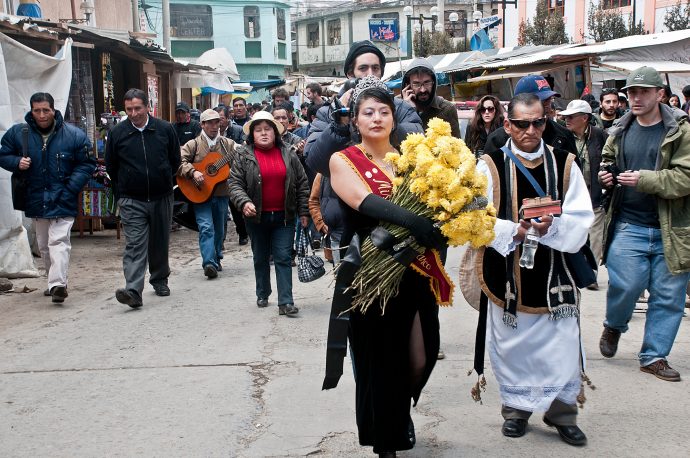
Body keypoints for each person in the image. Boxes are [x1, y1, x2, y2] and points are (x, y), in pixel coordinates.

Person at [323, 76, 444, 457]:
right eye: (367, 112)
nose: (376, 118)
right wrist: (414, 220)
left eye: (384, 112)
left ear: (394, 118)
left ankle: (396, 413)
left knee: (422, 355)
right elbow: (364, 202)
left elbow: (435, 203)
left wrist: (441, 225)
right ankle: (385, 439)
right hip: (372, 269)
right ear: (355, 120)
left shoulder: (412, 158)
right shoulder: (343, 159)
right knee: (379, 360)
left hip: (414, 270)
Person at [475, 93, 593, 446]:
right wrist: (517, 231)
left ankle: (562, 414)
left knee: (562, 346)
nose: (530, 130)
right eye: (522, 123)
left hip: (556, 273)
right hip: (509, 275)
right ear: (507, 124)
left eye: (538, 122)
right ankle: (515, 411)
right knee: (514, 347)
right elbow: (474, 217)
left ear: (547, 120)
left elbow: (581, 218)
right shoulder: (489, 165)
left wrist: (551, 228)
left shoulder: (566, 163)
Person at [598, 66, 690, 382]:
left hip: (672, 228)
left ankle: (654, 356)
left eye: (643, 92)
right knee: (626, 284)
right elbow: (607, 162)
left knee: (669, 297)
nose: (635, 98)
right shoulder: (620, 129)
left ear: (659, 94)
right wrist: (606, 176)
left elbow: (686, 177)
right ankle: (614, 324)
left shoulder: (680, 130)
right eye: (631, 93)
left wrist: (645, 180)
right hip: (628, 223)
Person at [0, 92, 96, 303]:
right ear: (31, 111)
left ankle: (58, 284)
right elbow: (3, 154)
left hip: (64, 196)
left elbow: (87, 163)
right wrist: (16, 162)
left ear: (54, 110)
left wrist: (71, 187)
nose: (42, 115)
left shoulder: (73, 135)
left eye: (46, 110)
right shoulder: (19, 133)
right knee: (44, 245)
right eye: (37, 110)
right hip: (36, 197)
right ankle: (54, 281)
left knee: (59, 241)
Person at [228, 111, 310, 316]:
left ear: (275, 132)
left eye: (267, 129)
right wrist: (244, 202)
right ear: (252, 135)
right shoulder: (243, 155)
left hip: (284, 217)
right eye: (259, 130)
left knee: (283, 257)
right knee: (261, 257)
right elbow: (235, 184)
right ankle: (263, 292)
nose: (264, 133)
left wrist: (304, 212)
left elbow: (301, 184)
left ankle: (286, 301)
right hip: (256, 217)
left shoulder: (289, 154)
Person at [105, 88, 181, 308]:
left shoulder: (165, 129)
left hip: (162, 195)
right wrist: (122, 194)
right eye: (129, 109)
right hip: (131, 199)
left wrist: (164, 176)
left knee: (159, 241)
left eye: (138, 108)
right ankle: (133, 290)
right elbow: (111, 166)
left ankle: (159, 278)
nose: (134, 113)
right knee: (135, 244)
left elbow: (175, 160)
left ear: (148, 107)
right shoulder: (118, 133)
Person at [178, 109, 238, 279]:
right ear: (202, 125)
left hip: (221, 193)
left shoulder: (228, 144)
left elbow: (240, 162)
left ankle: (217, 256)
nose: (214, 126)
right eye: (210, 123)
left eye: (217, 122)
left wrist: (233, 169)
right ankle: (209, 263)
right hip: (200, 193)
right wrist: (193, 172)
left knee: (219, 229)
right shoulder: (193, 144)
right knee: (206, 227)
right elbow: (179, 162)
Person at [560, 99, 607, 280]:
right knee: (576, 234)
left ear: (585, 118)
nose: (567, 120)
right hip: (571, 196)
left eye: (571, 117)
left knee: (595, 236)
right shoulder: (563, 136)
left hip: (595, 194)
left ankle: (591, 273)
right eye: (566, 117)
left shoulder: (600, 136)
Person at [483, 75, 576, 155]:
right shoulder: (497, 140)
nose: (547, 105)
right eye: (541, 101)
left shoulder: (564, 135)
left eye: (549, 99)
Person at [400, 57, 461, 138]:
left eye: (427, 82)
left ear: (434, 83)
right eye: (416, 84)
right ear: (408, 86)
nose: (422, 90)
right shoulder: (398, 109)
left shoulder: (447, 109)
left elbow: (457, 146)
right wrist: (408, 110)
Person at [213, 106, 248, 245]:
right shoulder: (209, 133)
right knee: (220, 211)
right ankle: (220, 240)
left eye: (220, 118)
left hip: (234, 174)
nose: (217, 122)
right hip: (216, 178)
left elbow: (244, 149)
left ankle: (243, 233)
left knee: (236, 208)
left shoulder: (237, 131)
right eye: (214, 119)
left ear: (228, 118)